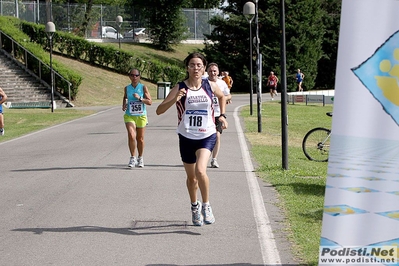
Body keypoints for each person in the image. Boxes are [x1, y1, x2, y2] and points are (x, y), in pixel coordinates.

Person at [156, 52, 228, 226]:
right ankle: (194, 207)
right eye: (192, 65)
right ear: (187, 68)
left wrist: (222, 115)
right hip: (187, 136)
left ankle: (206, 205)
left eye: (199, 65)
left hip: (207, 134)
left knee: (201, 171)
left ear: (204, 68)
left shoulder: (210, 85)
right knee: (191, 178)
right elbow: (159, 110)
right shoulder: (180, 87)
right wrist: (175, 99)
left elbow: (222, 96)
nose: (195, 68)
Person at [122, 69, 152, 168]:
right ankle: (132, 157)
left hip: (141, 116)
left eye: (136, 75)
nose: (134, 77)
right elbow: (125, 97)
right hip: (129, 115)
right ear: (129, 76)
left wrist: (140, 98)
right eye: (132, 75)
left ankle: (140, 157)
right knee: (131, 135)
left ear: (139, 77)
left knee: (140, 138)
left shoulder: (143, 87)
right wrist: (124, 105)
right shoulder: (127, 88)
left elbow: (150, 102)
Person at [207, 63, 232, 168]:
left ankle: (214, 159)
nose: (213, 73)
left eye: (214, 71)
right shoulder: (203, 82)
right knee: (205, 136)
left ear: (218, 72)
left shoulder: (222, 83)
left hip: (217, 113)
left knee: (217, 135)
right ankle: (202, 157)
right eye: (211, 71)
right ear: (207, 72)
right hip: (206, 113)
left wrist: (224, 99)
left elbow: (229, 95)